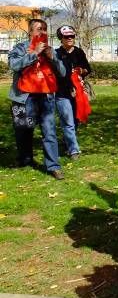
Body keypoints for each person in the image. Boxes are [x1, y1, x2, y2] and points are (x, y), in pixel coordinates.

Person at [8, 18, 66, 180]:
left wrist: (51, 57)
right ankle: (25, 159)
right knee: (23, 130)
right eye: (39, 29)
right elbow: (13, 65)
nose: (43, 32)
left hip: (46, 96)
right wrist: (33, 54)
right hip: (24, 97)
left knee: (49, 132)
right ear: (30, 32)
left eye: (45, 29)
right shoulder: (21, 47)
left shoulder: (50, 50)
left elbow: (62, 72)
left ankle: (53, 166)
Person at [55, 25, 92, 159]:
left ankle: (67, 142)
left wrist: (82, 71)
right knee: (68, 121)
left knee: (76, 121)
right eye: (66, 36)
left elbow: (88, 68)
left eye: (72, 36)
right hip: (62, 93)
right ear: (61, 38)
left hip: (78, 93)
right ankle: (74, 150)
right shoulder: (56, 54)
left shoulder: (79, 52)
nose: (70, 38)